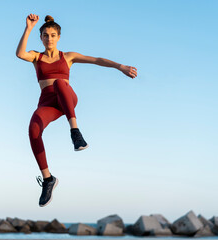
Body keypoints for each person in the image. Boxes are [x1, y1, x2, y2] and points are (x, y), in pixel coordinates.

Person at [16, 14, 137, 207]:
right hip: (48, 103)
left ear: (59, 37)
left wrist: (119, 66)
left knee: (59, 84)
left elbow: (96, 60)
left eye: (53, 35)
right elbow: (20, 53)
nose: (49, 39)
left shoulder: (68, 57)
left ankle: (75, 131)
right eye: (45, 35)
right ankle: (48, 179)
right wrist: (29, 28)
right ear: (41, 38)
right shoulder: (36, 57)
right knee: (33, 130)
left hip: (67, 97)